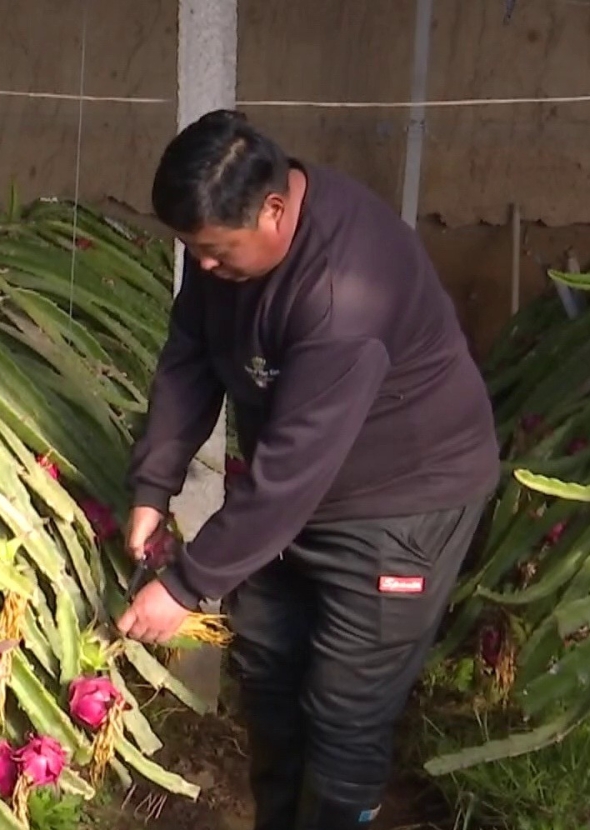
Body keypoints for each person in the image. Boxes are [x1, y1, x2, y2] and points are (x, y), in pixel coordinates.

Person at [113, 109, 501, 830]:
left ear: (274, 209)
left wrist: (188, 585)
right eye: (194, 251)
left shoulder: (342, 291)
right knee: (270, 675)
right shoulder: (225, 243)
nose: (204, 267)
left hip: (401, 504)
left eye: (215, 252)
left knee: (345, 709)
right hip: (295, 495)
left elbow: (294, 467)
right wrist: (152, 487)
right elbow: (191, 356)